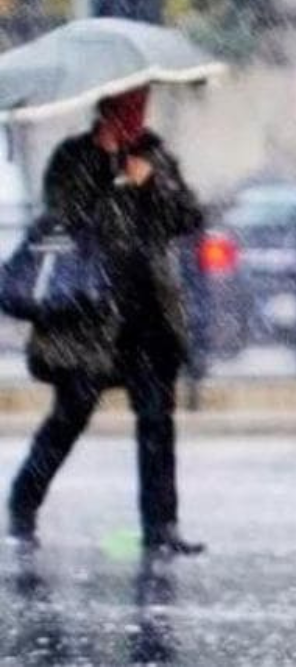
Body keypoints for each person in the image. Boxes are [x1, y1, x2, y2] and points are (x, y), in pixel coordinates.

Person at [6, 87, 206, 557]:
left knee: (157, 420)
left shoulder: (154, 154)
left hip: (148, 312)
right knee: (70, 416)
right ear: (108, 105)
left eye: (143, 103)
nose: (138, 113)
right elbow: (66, 218)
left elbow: (188, 216)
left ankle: (161, 526)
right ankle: (23, 502)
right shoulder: (74, 157)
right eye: (130, 104)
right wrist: (109, 173)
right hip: (89, 315)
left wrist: (152, 182)